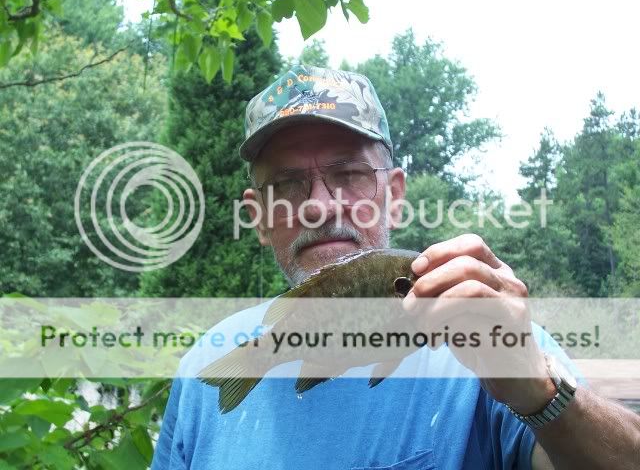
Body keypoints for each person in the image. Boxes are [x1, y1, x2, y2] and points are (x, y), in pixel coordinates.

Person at [151, 65, 640, 469]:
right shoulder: (199, 369)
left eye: (349, 174)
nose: (321, 205)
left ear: (396, 196)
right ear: (258, 218)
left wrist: (539, 392)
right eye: (287, 185)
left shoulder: (488, 346)